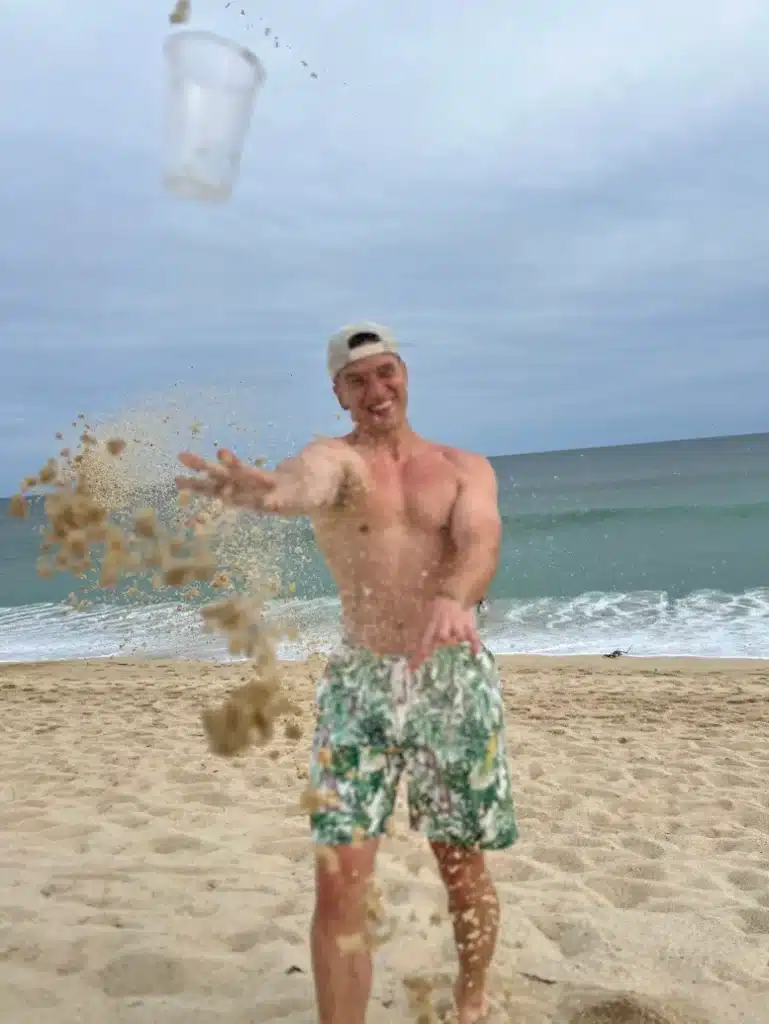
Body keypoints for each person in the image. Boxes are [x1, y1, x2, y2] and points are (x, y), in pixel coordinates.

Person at [176, 322, 518, 1024]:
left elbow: (480, 539)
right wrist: (269, 491)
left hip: (451, 681)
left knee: (462, 868)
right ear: (337, 393)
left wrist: (454, 598)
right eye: (356, 380)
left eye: (384, 372)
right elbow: (305, 483)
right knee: (338, 888)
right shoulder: (333, 459)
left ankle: (472, 997)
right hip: (358, 688)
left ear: (404, 375)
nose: (374, 389)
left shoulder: (464, 466)